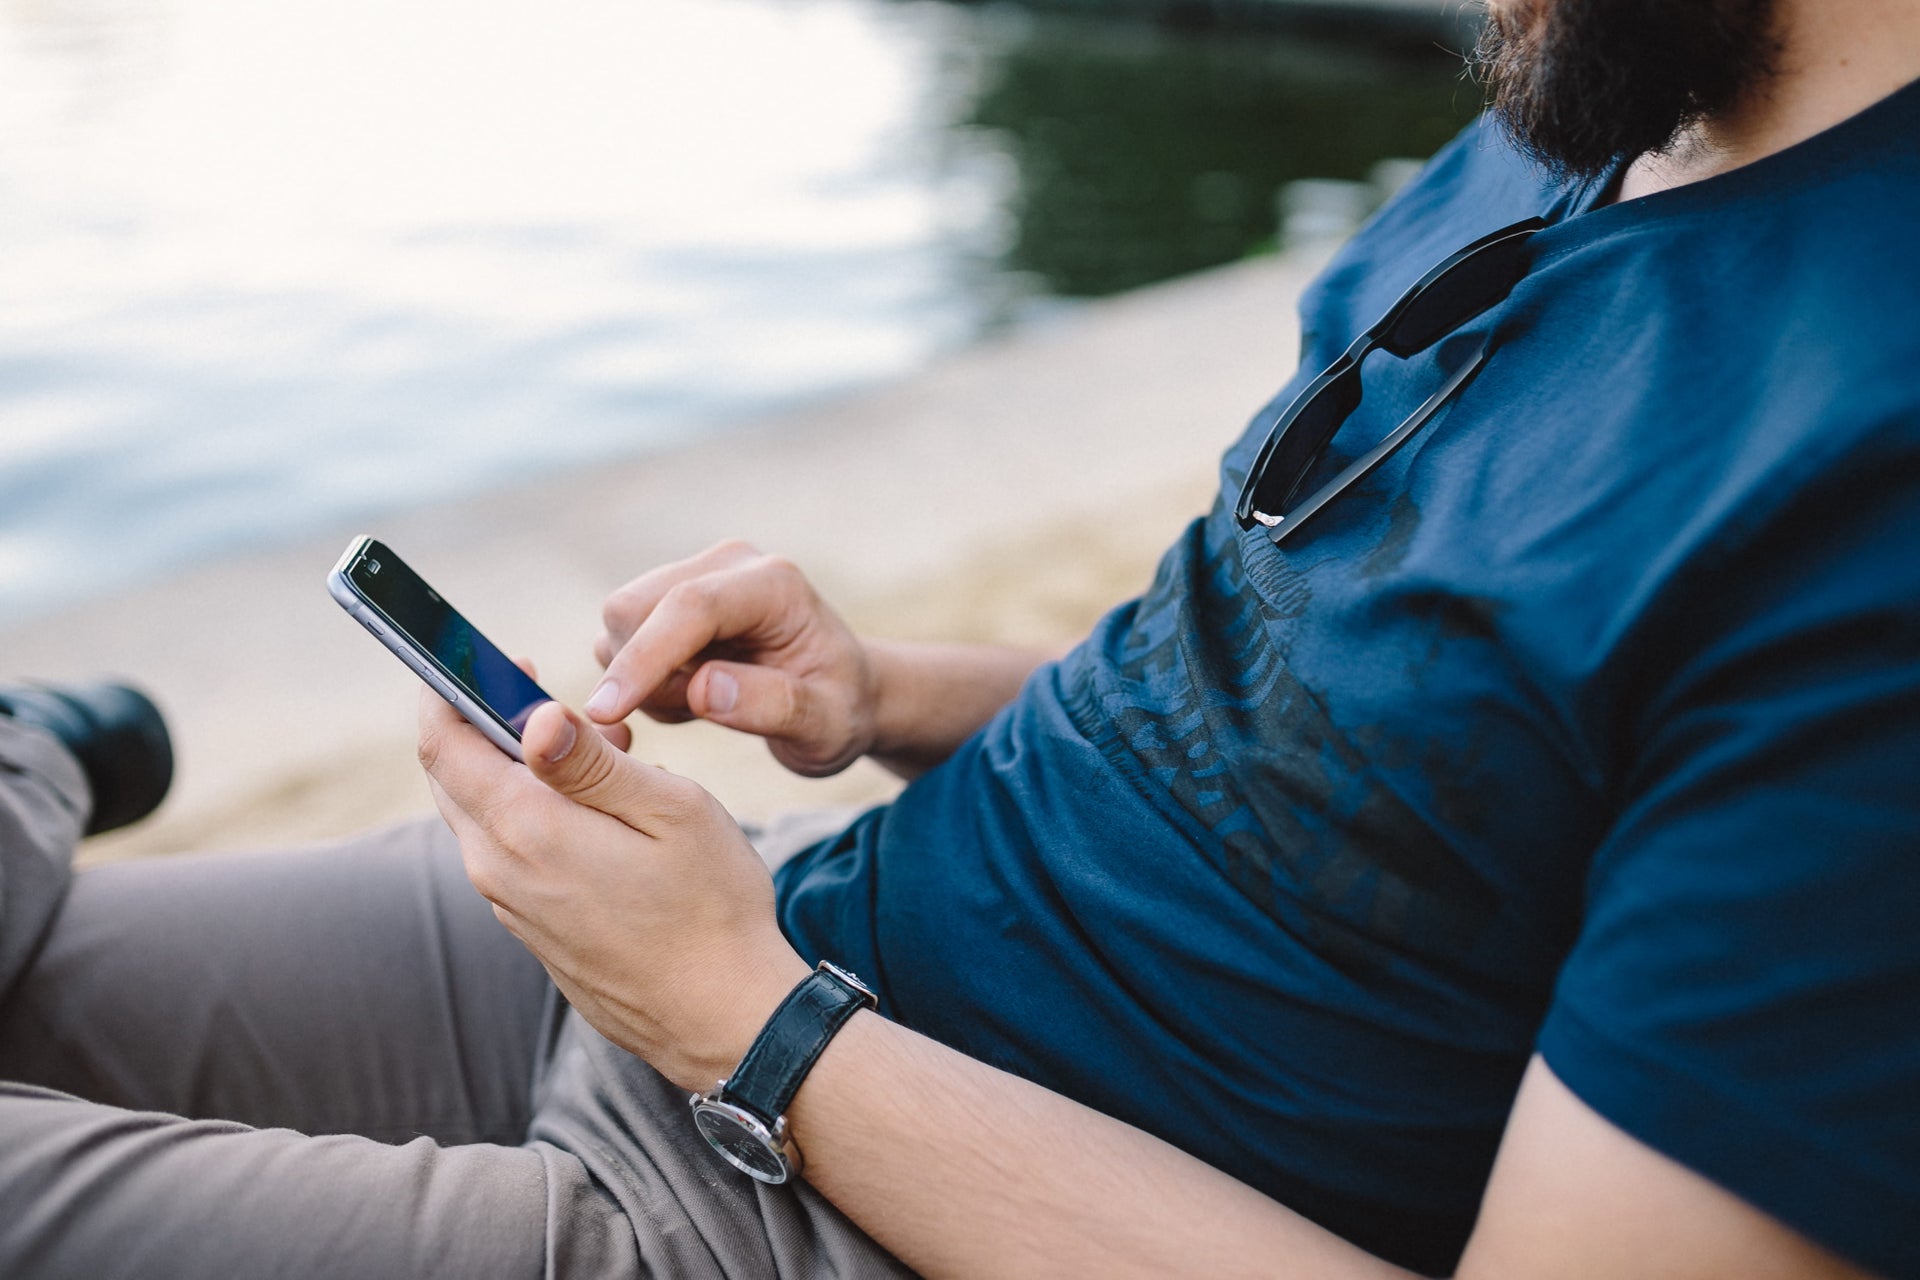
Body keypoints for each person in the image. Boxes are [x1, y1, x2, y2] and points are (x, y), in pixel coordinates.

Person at [2, 0, 1917, 1274]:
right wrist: (877, 695)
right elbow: (1360, 730)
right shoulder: (1603, 80)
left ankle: (39, 754)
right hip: (805, 921)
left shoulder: (1870, 504)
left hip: (815, 1197)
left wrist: (739, 1020)